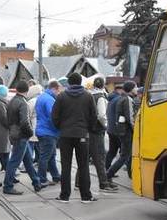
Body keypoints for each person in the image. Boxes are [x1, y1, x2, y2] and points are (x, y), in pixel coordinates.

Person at [52, 72, 98, 204]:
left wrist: (61, 127)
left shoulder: (61, 96)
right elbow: (94, 115)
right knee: (83, 165)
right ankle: (86, 196)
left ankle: (64, 195)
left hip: (65, 135)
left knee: (65, 165)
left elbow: (54, 116)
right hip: (82, 135)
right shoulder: (88, 96)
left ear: (69, 83)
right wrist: (87, 129)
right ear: (80, 82)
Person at [77, 77, 117, 193]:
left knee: (85, 157)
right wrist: (105, 125)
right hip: (96, 131)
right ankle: (103, 183)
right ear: (103, 85)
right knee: (99, 157)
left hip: (87, 129)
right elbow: (102, 115)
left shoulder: (89, 95)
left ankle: (78, 182)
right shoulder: (100, 97)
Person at [3, 81, 41, 194]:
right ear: (27, 90)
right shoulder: (22, 103)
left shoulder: (12, 101)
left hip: (14, 134)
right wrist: (30, 133)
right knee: (14, 161)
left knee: (28, 160)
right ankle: (8, 186)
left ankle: (36, 182)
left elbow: (7, 119)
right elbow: (25, 122)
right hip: (21, 135)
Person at [106, 81, 137, 182]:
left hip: (121, 131)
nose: (136, 89)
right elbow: (130, 117)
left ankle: (130, 174)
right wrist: (136, 129)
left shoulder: (121, 98)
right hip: (126, 132)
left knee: (125, 155)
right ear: (131, 89)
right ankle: (108, 175)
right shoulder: (127, 99)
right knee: (124, 156)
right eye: (135, 87)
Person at [35, 80, 62, 187]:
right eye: (58, 90)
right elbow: (53, 117)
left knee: (50, 155)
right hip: (48, 131)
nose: (59, 93)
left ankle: (55, 176)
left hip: (42, 130)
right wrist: (59, 127)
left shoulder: (42, 97)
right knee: (45, 156)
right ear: (54, 88)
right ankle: (41, 179)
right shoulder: (49, 100)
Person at [105, 83, 124, 170]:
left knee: (112, 152)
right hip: (117, 130)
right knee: (125, 153)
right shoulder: (119, 100)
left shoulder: (111, 99)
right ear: (119, 90)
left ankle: (107, 169)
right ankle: (111, 171)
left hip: (110, 129)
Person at [26, 83, 43, 164]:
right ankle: (40, 161)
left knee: (30, 147)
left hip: (33, 127)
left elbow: (27, 115)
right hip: (41, 127)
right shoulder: (43, 99)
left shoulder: (31, 102)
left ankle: (28, 164)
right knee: (39, 147)